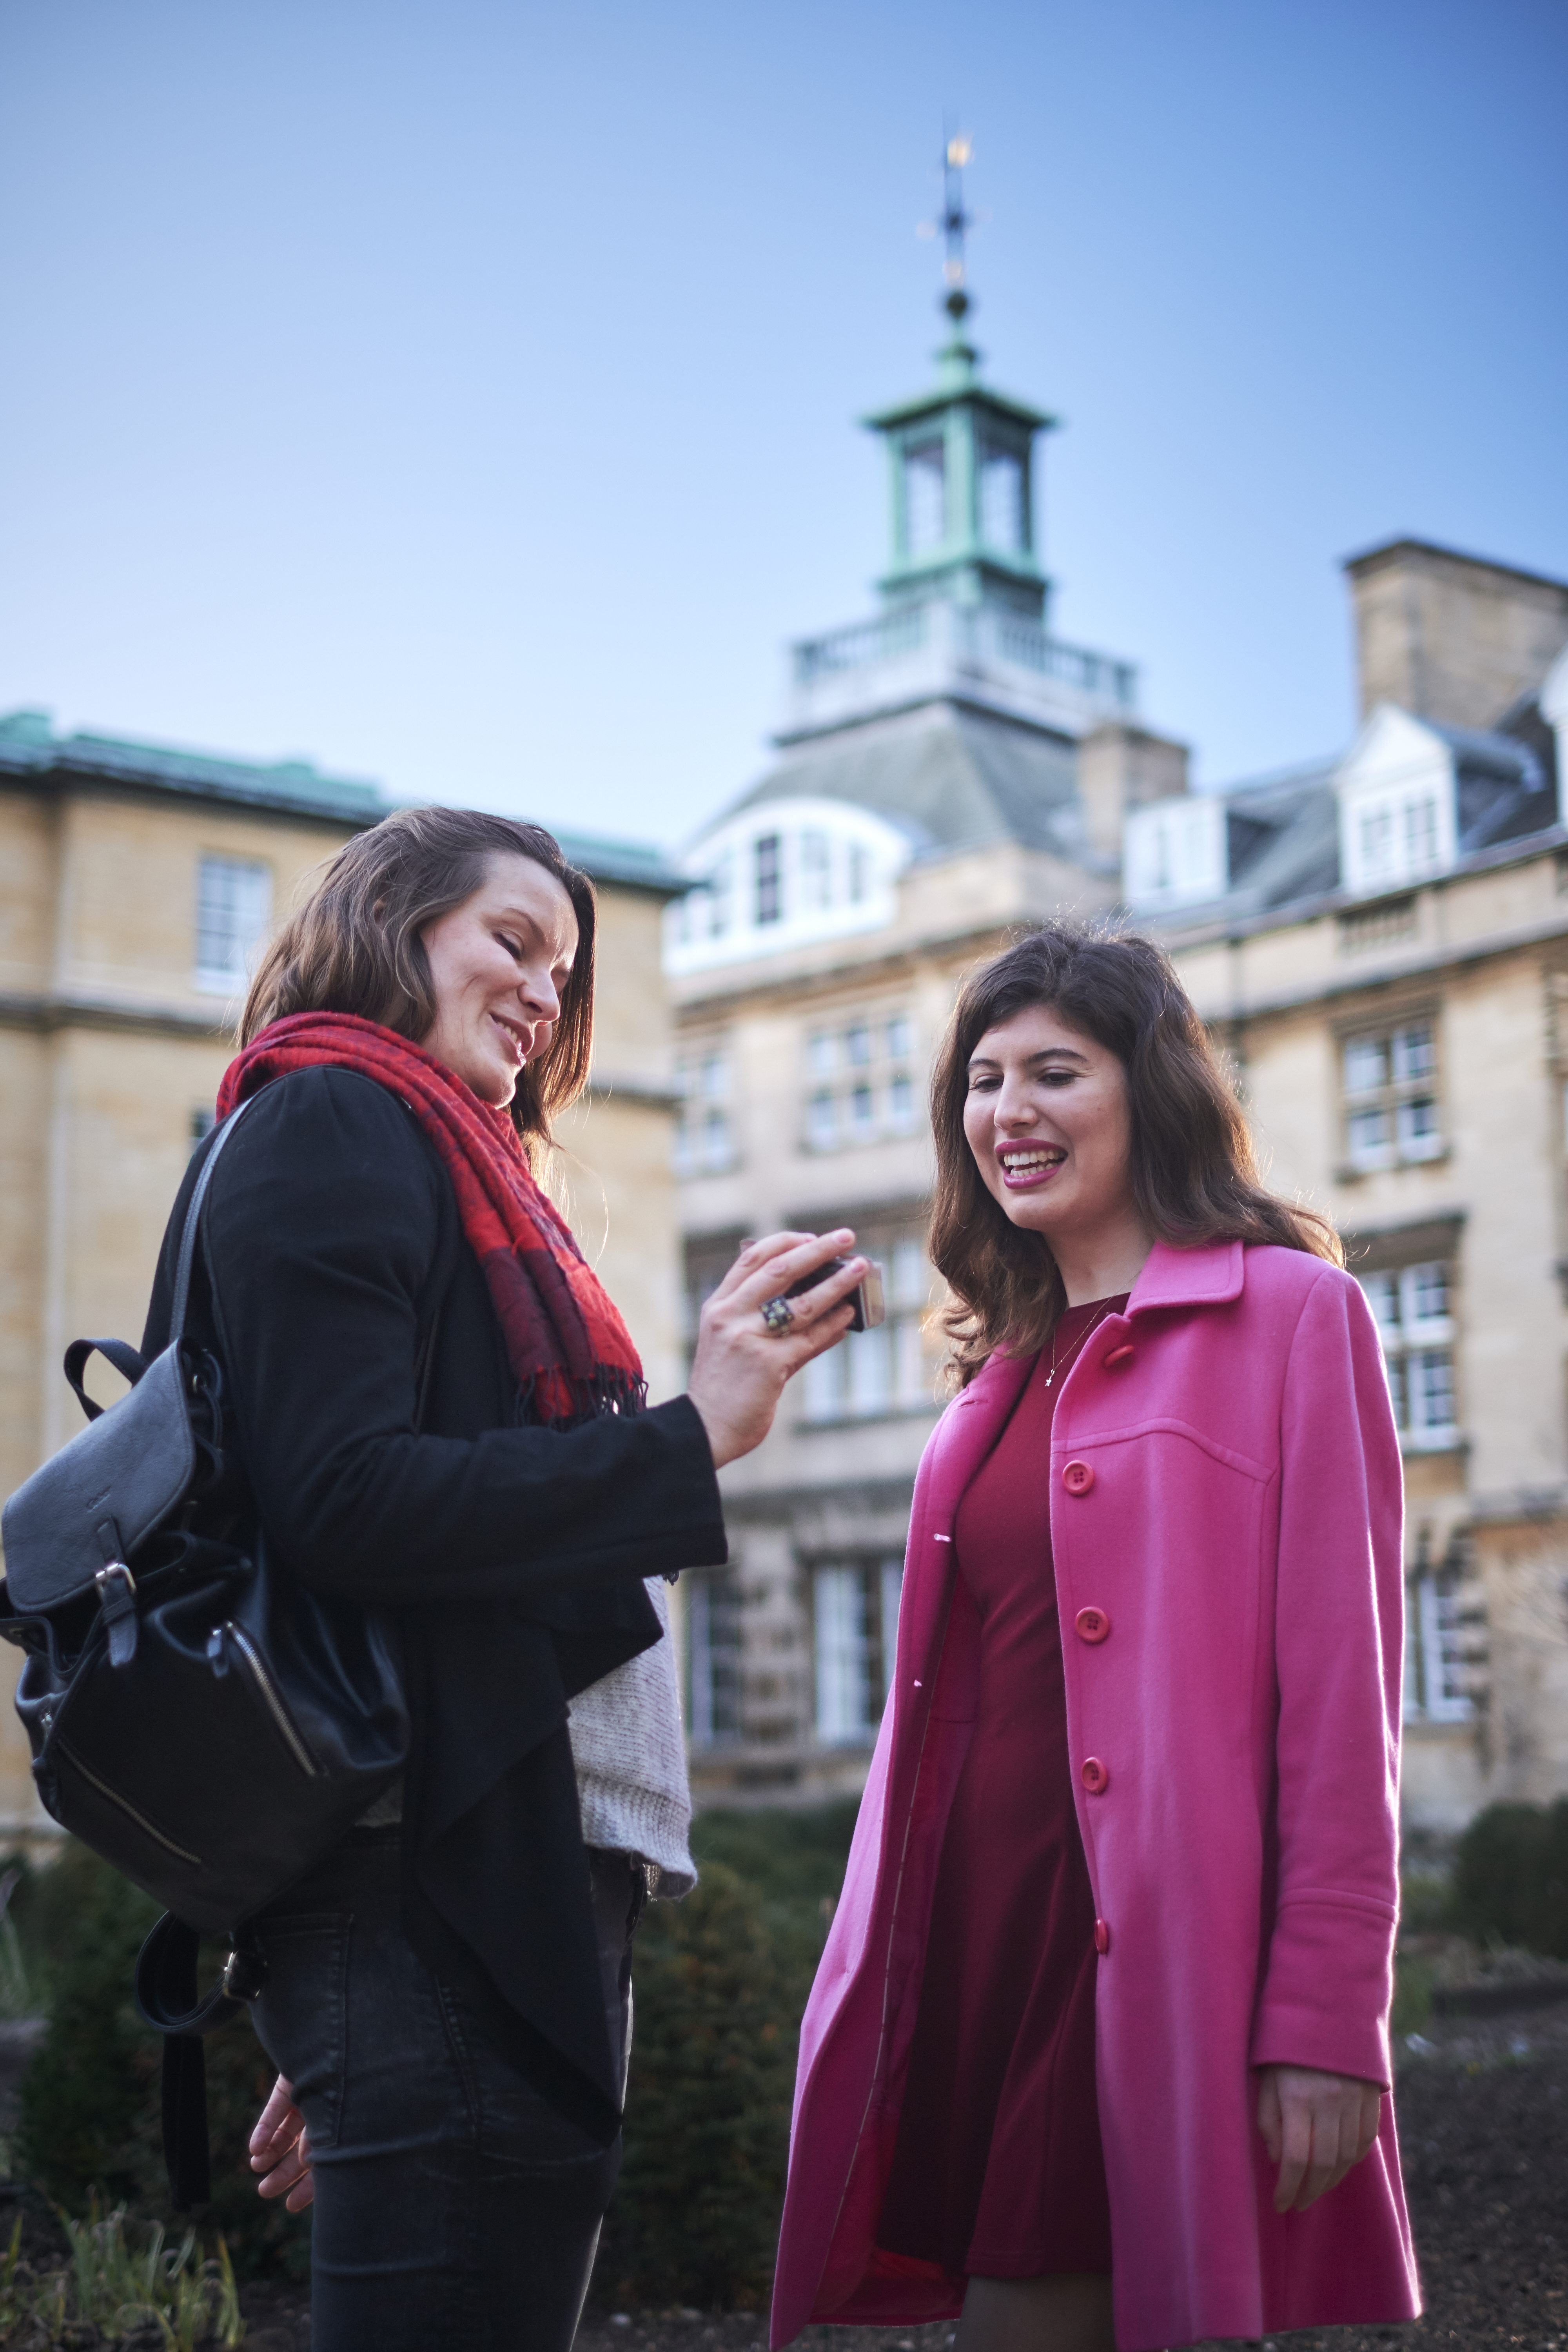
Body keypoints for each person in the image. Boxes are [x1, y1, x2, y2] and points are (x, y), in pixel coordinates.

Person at [139, 806, 867, 2352]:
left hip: (464, 1888)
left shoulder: (428, 1146)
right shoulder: (336, 1118)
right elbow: (342, 1503)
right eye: (511, 942)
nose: (546, 993)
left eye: (567, 968)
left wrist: (340, 2007)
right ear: (391, 928)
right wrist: (690, 1439)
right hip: (442, 1892)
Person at [770, 924, 1422, 2352]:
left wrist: (1325, 2016)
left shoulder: (1295, 1317)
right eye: (985, 1080)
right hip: (971, 1940)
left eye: (1056, 1072)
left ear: (1152, 1090)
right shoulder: (989, 1378)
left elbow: (1342, 1703)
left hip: (1131, 1941)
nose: (1011, 1112)